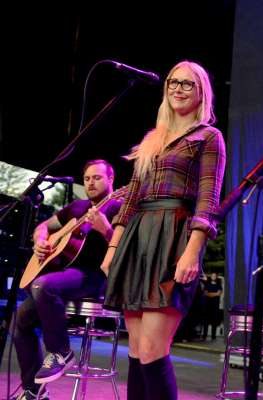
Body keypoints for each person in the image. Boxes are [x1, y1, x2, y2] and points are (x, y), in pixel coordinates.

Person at [101, 60, 226, 400]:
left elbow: (207, 201)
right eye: (173, 82)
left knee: (154, 348)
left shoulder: (208, 137)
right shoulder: (153, 138)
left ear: (201, 93)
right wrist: (113, 248)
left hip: (174, 235)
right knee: (138, 349)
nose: (178, 88)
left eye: (187, 83)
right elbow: (131, 199)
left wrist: (192, 251)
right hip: (138, 237)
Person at [12, 160, 121, 400]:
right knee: (21, 320)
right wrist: (40, 240)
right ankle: (33, 391)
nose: (91, 182)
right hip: (63, 275)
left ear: (111, 180)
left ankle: (60, 351)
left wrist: (105, 230)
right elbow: (44, 226)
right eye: (88, 178)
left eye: (98, 178)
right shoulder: (77, 207)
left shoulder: (118, 207)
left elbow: (125, 250)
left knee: (42, 285)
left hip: (95, 277)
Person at [201, 272, 222, 341]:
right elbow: (205, 293)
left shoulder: (219, 285)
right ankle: (204, 336)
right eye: (212, 275)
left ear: (216, 277)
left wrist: (210, 294)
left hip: (215, 306)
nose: (213, 276)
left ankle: (213, 336)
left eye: (214, 276)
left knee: (214, 321)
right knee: (205, 321)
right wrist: (214, 294)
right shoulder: (207, 284)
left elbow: (219, 293)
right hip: (207, 305)